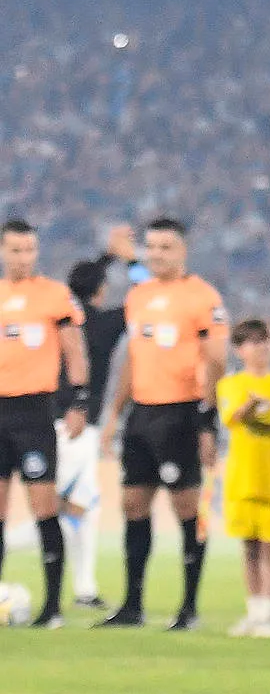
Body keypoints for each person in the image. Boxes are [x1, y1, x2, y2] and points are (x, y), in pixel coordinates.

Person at [105, 217, 226, 629]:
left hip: (182, 412)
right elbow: (132, 358)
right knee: (133, 504)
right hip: (142, 412)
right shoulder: (139, 295)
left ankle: (188, 608)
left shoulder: (202, 297)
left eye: (166, 247)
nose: (157, 254)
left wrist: (207, 420)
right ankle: (132, 605)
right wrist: (115, 413)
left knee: (186, 507)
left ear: (183, 251)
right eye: (152, 247)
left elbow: (217, 360)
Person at [0, 222, 86, 627]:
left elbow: (74, 352)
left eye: (29, 250)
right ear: (3, 252)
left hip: (34, 413)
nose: (24, 257)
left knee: (44, 507)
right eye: (16, 250)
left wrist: (79, 401)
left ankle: (52, 608)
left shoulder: (54, 295)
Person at [214, 319, 270, 637]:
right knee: (248, 547)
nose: (263, 347)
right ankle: (253, 611)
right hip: (242, 477)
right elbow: (231, 419)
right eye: (254, 342)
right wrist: (249, 406)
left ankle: (268, 614)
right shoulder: (230, 385)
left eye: (266, 341)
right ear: (240, 350)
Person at [56, 257, 124, 612]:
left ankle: (84, 586)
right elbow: (148, 295)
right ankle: (83, 587)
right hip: (79, 426)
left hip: (50, 418)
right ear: (101, 290)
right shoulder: (105, 323)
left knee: (71, 505)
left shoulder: (58, 318)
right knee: (75, 507)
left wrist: (104, 259)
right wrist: (127, 259)